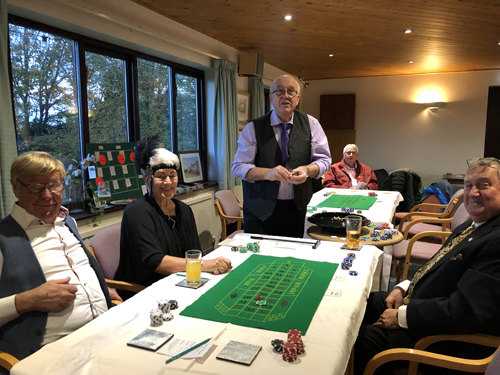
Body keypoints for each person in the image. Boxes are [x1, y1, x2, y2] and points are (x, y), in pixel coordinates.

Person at [354, 157, 500, 375]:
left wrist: (403, 316)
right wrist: (402, 287)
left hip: (441, 341)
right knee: (359, 303)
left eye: (484, 185)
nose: (473, 193)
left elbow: (466, 312)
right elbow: (437, 264)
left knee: (357, 339)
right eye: (469, 185)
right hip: (426, 305)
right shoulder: (473, 223)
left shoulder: (496, 241)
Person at [0, 152, 118, 368]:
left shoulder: (68, 222)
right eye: (35, 187)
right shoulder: (3, 238)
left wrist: (101, 290)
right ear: (15, 187)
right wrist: (28, 300)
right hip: (51, 355)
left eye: (54, 185)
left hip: (106, 334)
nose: (47, 195)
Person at [115, 136, 232, 299]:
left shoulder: (184, 209)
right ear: (147, 180)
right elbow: (154, 262)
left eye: (172, 175)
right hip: (145, 292)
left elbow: (194, 252)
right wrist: (206, 265)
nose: (168, 182)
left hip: (180, 283)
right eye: (161, 176)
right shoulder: (136, 211)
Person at [232, 75, 331, 238]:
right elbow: (238, 166)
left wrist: (308, 170)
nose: (285, 96)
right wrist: (268, 174)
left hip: (299, 210)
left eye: (291, 91)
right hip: (260, 212)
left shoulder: (311, 124)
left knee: (295, 258)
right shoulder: (253, 128)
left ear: (297, 98)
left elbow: (325, 161)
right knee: (258, 259)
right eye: (280, 91)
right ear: (271, 98)